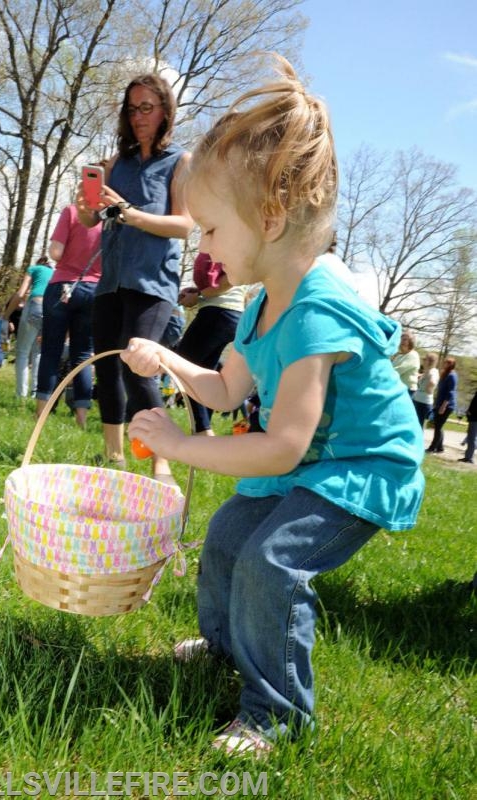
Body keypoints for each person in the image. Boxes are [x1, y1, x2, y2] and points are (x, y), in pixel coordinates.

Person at [121, 56, 425, 756]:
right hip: (317, 460)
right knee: (231, 530)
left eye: (212, 231)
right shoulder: (260, 305)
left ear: (270, 215)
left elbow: (282, 445)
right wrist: (169, 360)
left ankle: (278, 713)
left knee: (272, 559)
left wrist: (180, 447)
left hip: (362, 465)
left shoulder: (319, 310)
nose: (204, 251)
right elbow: (227, 390)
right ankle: (228, 646)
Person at [76, 72, 194, 476]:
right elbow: (93, 221)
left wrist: (131, 213)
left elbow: (183, 225)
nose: (139, 116)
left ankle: (163, 460)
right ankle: (113, 456)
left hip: (154, 280)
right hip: (111, 280)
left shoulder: (180, 161)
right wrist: (86, 207)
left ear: (164, 111)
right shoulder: (115, 163)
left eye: (147, 107)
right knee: (106, 365)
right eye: (132, 109)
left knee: (139, 362)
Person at [35, 204, 102, 429]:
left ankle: (41, 415)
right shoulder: (113, 216)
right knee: (82, 356)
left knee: (51, 352)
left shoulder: (73, 211)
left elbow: (55, 252)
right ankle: (81, 419)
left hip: (62, 285)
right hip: (94, 291)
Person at [176, 252, 246, 435]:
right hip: (229, 314)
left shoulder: (230, 238)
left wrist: (200, 294)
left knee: (183, 369)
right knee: (204, 375)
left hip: (217, 314)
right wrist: (198, 295)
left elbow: (227, 281)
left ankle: (203, 433)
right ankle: (203, 433)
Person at [2, 254, 54, 399]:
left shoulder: (33, 269)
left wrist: (6, 316)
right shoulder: (56, 273)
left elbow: (21, 293)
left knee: (23, 352)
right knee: (38, 353)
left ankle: (21, 395)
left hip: (34, 306)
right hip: (50, 310)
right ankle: (35, 393)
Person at [427, 356, 458, 454]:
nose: (445, 364)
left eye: (448, 363)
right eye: (445, 362)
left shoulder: (452, 376)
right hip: (439, 403)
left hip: (446, 406)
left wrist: (443, 406)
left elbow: (451, 392)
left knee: (438, 427)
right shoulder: (445, 374)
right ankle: (440, 448)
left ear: (451, 365)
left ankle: (432, 448)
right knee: (438, 426)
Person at [413, 352, 439, 428]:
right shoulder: (427, 371)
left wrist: (429, 389)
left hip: (423, 402)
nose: (423, 361)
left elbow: (433, 382)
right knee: (415, 423)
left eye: (425, 359)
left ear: (429, 361)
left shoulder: (433, 371)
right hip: (418, 399)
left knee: (418, 425)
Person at [391, 331, 420, 396]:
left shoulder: (413, 355)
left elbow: (399, 369)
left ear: (411, 342)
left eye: (404, 340)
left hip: (407, 390)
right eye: (401, 339)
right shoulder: (399, 356)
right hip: (397, 388)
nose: (401, 341)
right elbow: (390, 367)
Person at [458, 389, 477, 464]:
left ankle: (469, 458)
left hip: (475, 417)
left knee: (472, 438)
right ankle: (468, 456)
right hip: (473, 417)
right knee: (471, 436)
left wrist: (471, 412)